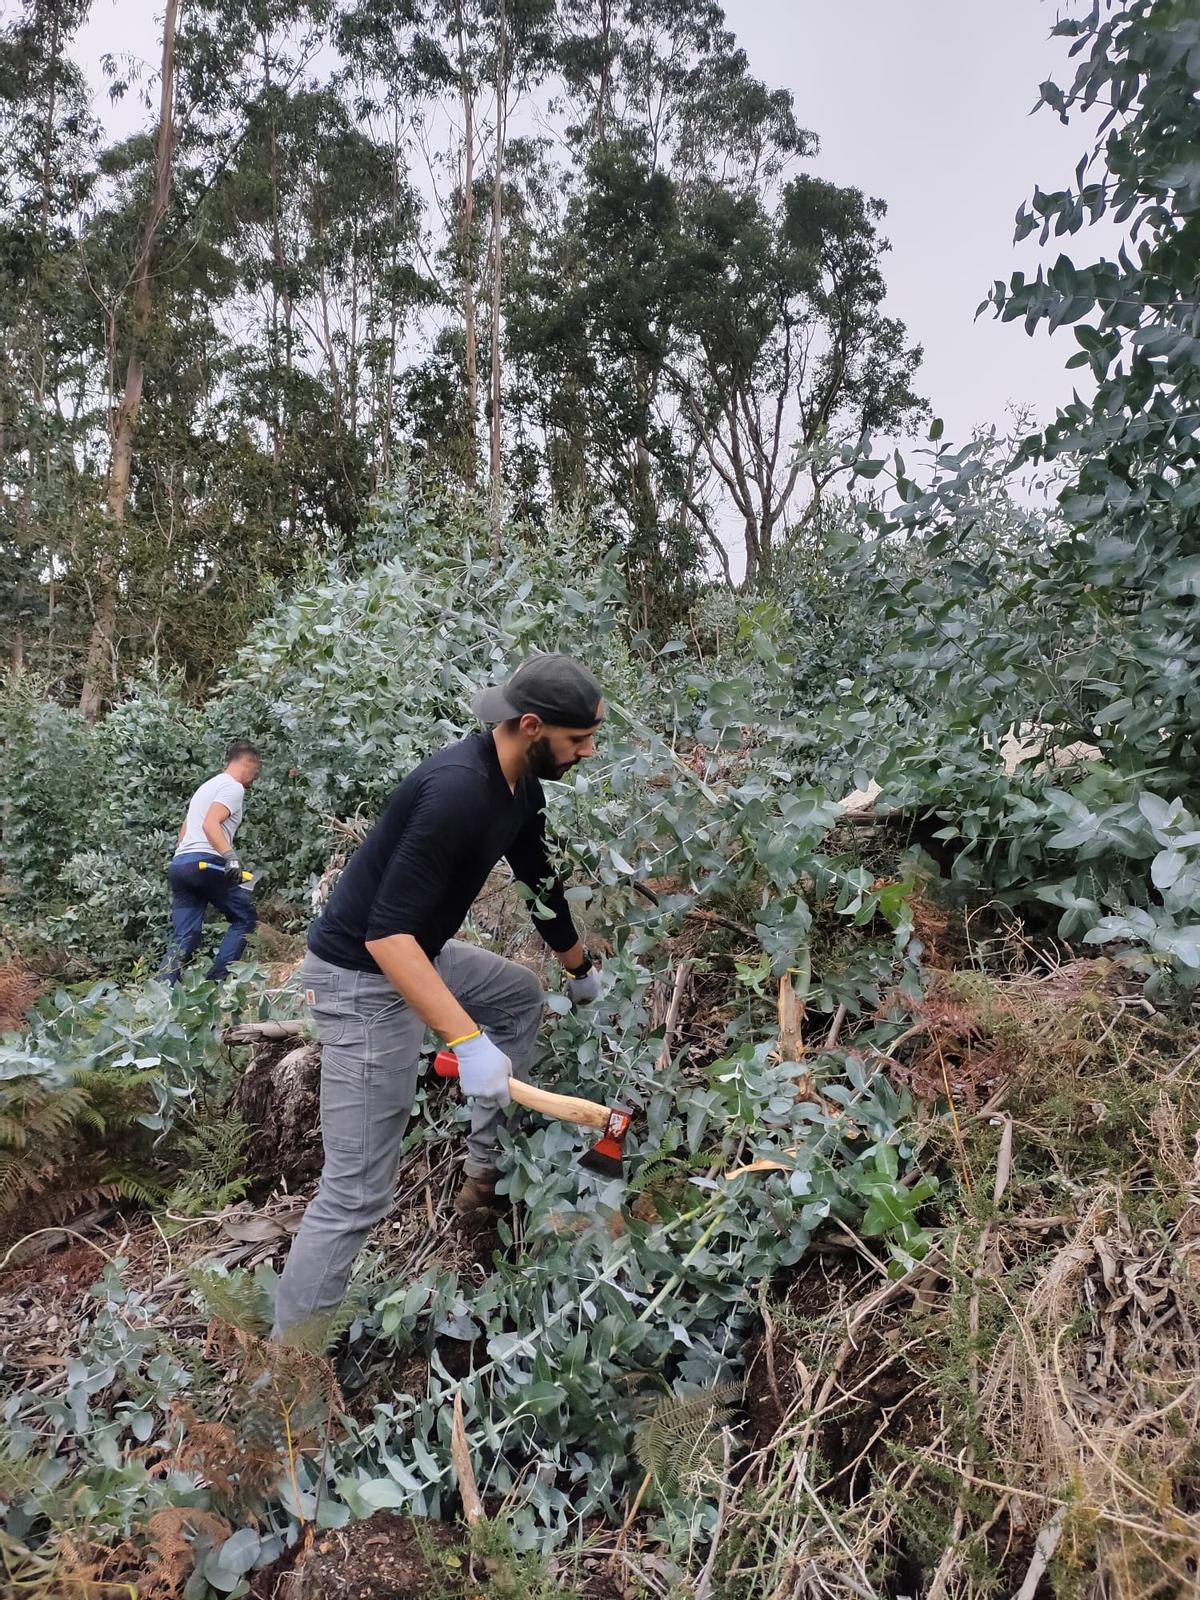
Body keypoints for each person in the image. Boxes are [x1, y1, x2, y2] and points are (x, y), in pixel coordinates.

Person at [273, 654, 604, 1337]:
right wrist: (466, 1041)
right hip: (364, 979)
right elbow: (386, 938)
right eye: (577, 740)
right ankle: (285, 1372)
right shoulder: (457, 792)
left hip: (416, 954)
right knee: (356, 1192)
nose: (587, 752)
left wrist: (579, 967)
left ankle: (483, 1174)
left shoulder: (519, 790)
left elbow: (537, 879)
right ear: (532, 726)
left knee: (517, 997)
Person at [163, 741, 261, 983]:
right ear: (247, 763)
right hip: (205, 862)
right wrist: (231, 858)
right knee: (244, 918)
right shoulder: (233, 787)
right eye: (256, 769)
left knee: (185, 935)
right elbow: (210, 824)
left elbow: (184, 833)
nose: (255, 776)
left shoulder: (206, 787)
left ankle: (162, 990)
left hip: (181, 865)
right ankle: (215, 985)